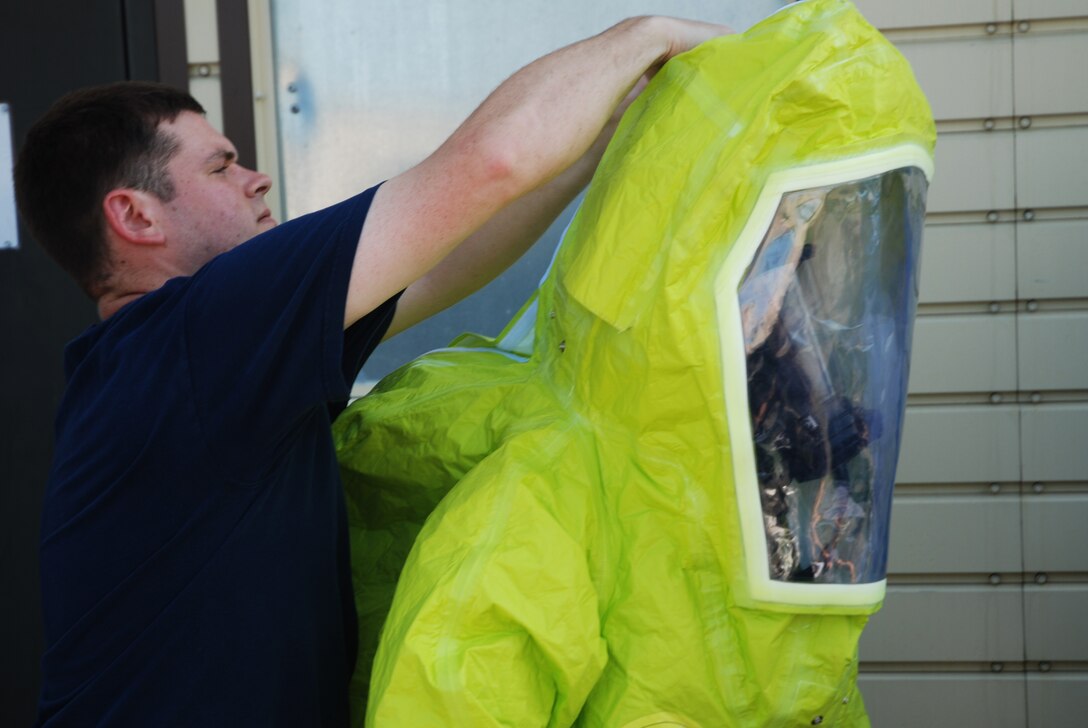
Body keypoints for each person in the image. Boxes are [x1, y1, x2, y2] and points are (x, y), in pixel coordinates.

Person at [15, 16, 729, 727]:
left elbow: (452, 251)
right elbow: (492, 163)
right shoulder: (193, 337)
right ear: (136, 216)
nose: (256, 179)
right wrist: (650, 32)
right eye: (220, 166)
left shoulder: (181, 362)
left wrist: (616, 124)